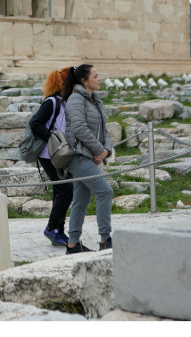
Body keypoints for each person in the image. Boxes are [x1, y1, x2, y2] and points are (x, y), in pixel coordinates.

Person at [63, 64, 113, 253]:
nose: (99, 78)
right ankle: (105, 239)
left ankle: (73, 244)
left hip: (90, 155)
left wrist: (106, 151)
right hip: (78, 156)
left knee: (81, 200)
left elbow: (104, 129)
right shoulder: (75, 99)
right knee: (105, 192)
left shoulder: (96, 100)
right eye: (95, 75)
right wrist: (98, 149)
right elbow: (79, 128)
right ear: (84, 81)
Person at [29, 68, 74, 247]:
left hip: (59, 154)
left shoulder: (63, 102)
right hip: (49, 154)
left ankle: (59, 231)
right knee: (66, 190)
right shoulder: (51, 102)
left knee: (60, 190)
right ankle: (52, 228)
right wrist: (52, 140)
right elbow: (35, 123)